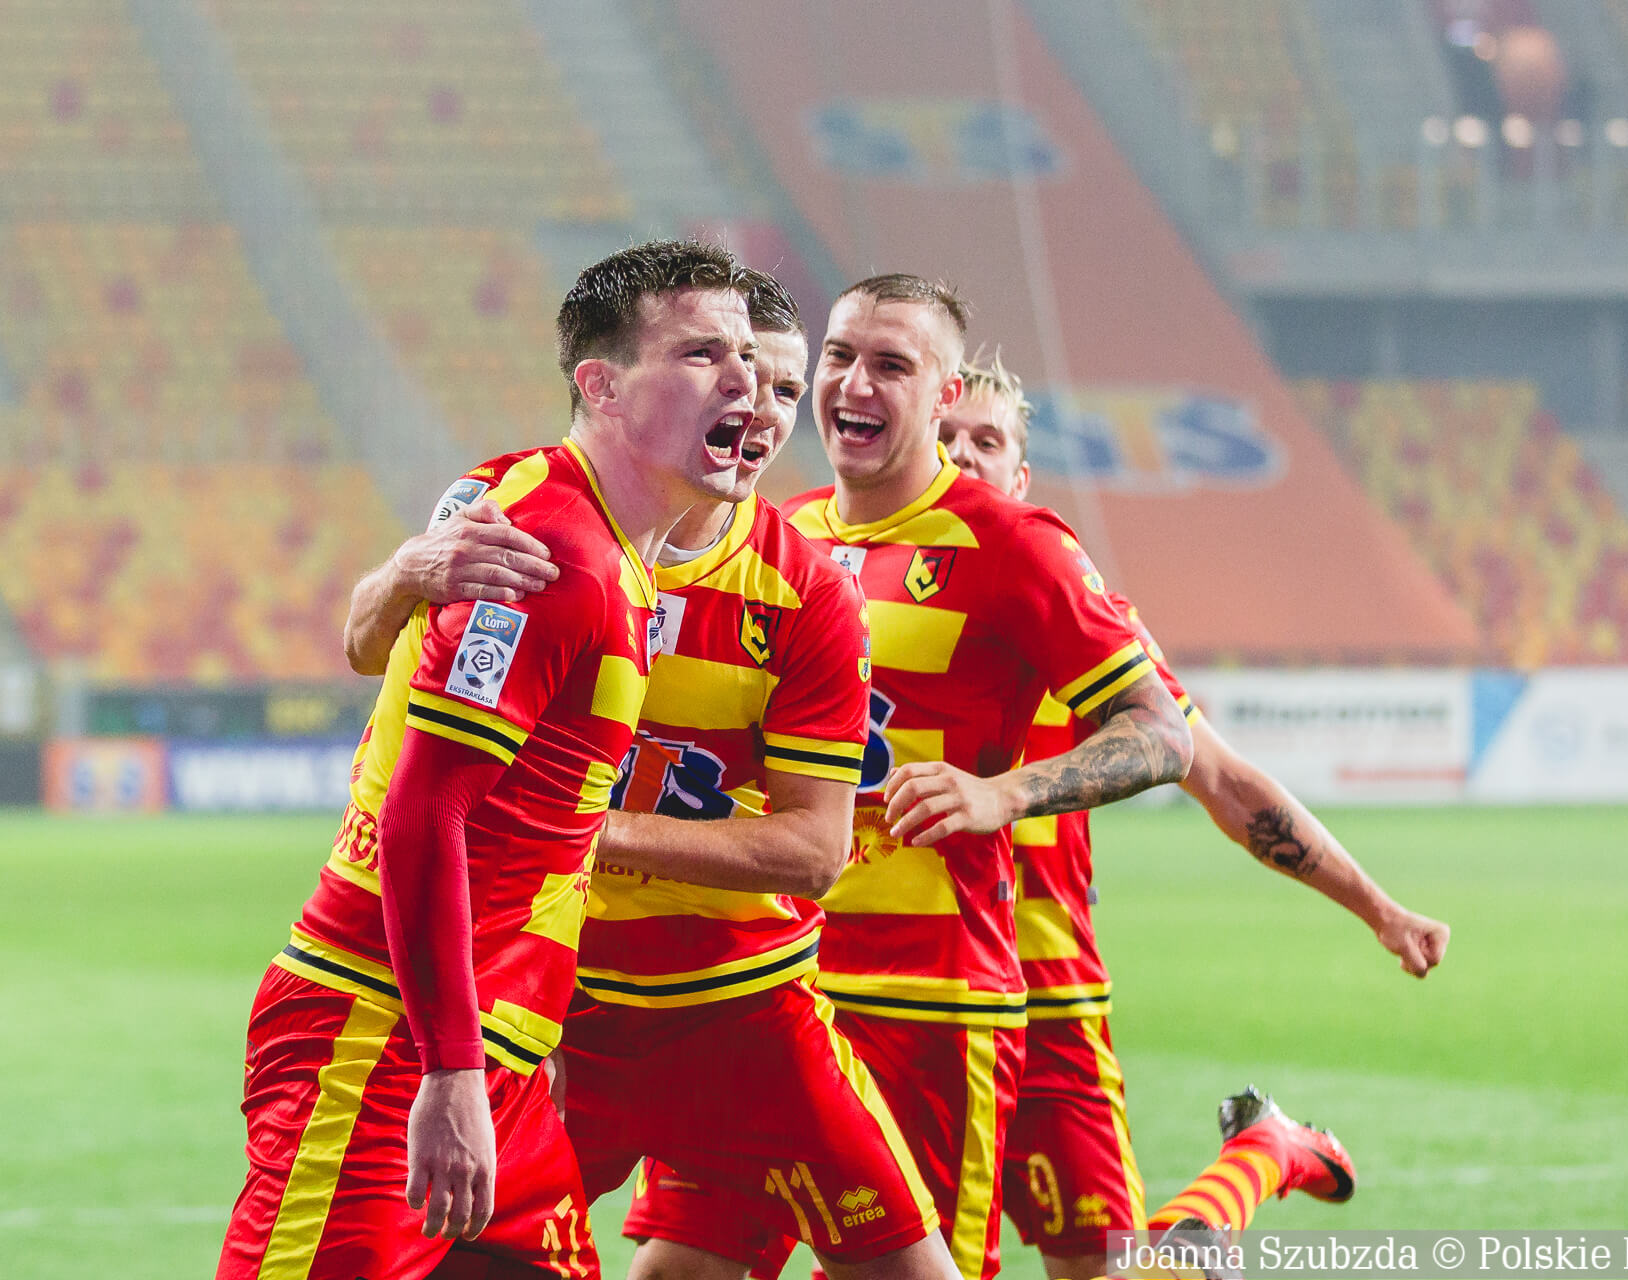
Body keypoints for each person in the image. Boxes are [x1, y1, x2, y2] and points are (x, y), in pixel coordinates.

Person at [341, 274, 961, 1280]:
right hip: (558, 1005)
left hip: (737, 1009)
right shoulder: (521, 509)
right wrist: (406, 571)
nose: (758, 407)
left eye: (781, 388)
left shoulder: (804, 594)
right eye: (733, 374)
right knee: (447, 1251)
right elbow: (367, 648)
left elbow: (814, 851)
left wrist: (567, 828)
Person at [216, 239, 761, 1280]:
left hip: (491, 1049)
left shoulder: (586, 534)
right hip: (381, 1038)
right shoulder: (551, 554)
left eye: (745, 353)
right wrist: (453, 1068)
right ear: (600, 386)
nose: (743, 378)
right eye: (701, 354)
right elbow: (426, 813)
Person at [648, 272, 1191, 1280]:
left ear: (943, 396)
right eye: (841, 356)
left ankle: (1238, 1188)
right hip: (760, 989)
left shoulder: (1015, 546)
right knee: (676, 1267)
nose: (855, 382)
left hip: (926, 1003)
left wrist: (1002, 794)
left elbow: (1163, 733)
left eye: (890, 364)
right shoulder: (772, 533)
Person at [938, 355, 1448, 1280]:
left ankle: (1260, 1160)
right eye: (944, 437)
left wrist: (1378, 908)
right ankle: (1263, 1154)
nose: (963, 455)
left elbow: (1221, 780)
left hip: (1045, 1000)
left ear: (1021, 476)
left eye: (987, 440)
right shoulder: (840, 589)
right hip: (895, 991)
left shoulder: (1080, 617)